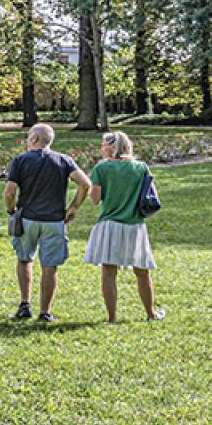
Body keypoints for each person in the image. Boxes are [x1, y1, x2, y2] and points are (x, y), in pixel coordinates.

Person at [4, 123, 91, 324]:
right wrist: (74, 207)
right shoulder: (64, 160)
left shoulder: (21, 160)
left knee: (25, 259)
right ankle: (45, 312)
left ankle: (25, 304)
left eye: (28, 137)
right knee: (50, 266)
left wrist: (11, 210)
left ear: (34, 139)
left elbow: (10, 192)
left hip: (27, 219)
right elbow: (85, 184)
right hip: (54, 221)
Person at [85, 131, 163, 322]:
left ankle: (112, 317)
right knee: (142, 272)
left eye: (103, 145)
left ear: (111, 147)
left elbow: (95, 200)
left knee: (109, 273)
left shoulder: (101, 169)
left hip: (109, 224)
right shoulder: (141, 167)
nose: (101, 149)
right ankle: (150, 313)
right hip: (135, 225)